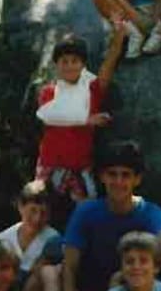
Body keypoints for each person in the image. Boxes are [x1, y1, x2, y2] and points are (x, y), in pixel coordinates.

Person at [62, 140, 161, 291]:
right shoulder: (86, 212)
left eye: (125, 175)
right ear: (102, 177)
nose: (118, 182)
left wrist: (124, 275)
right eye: (112, 174)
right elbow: (69, 268)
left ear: (137, 179)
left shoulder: (151, 213)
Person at [36, 30, 124, 203]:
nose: (69, 66)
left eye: (74, 61)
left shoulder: (92, 91)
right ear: (56, 65)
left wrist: (118, 38)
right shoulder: (49, 93)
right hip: (51, 166)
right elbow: (51, 115)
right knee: (45, 212)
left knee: (85, 214)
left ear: (83, 65)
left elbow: (109, 64)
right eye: (64, 62)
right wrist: (87, 119)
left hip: (81, 167)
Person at [0, 180, 64, 291]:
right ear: (20, 207)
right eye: (32, 211)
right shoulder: (4, 238)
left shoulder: (52, 237)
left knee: (40, 271)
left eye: (43, 213)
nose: (37, 218)